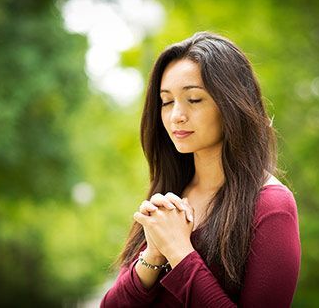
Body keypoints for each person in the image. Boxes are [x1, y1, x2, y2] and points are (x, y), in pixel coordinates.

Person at [101, 32, 301, 307]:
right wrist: (154, 256)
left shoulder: (271, 206)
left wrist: (179, 251)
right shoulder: (168, 198)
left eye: (194, 99)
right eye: (167, 101)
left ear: (233, 103)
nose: (176, 116)